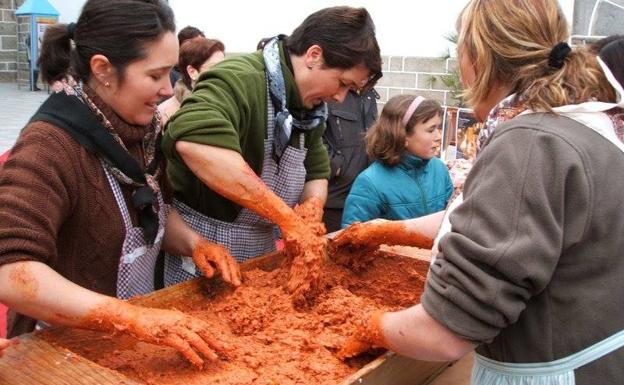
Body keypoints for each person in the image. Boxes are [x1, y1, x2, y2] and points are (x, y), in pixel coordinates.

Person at [334, 0, 624, 384]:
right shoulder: (586, 123)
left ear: (477, 58)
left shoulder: (530, 140)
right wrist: (382, 229)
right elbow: (489, 218)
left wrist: (362, 328)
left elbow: (446, 331)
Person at [0, 0, 241, 368]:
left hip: (129, 344)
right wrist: (129, 318)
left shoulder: (144, 134)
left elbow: (153, 212)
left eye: (170, 74)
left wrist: (195, 243)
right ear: (103, 69)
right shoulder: (49, 145)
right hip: (63, 351)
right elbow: (12, 274)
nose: (167, 90)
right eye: (155, 75)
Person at [161, 6, 382, 300]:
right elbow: (194, 142)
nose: (340, 96)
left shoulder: (311, 110)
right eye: (342, 83)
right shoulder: (239, 78)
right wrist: (285, 219)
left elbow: (316, 170)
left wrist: (311, 213)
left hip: (262, 251)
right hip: (204, 251)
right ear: (314, 55)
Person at [341, 95, 452, 228]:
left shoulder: (439, 169)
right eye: (430, 130)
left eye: (439, 128)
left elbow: (451, 219)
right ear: (402, 135)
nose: (439, 136)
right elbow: (351, 238)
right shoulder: (370, 182)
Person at [322, 88, 378, 233]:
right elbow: (310, 138)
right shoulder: (332, 89)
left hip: (364, 198)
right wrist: (336, 166)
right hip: (333, 200)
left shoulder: (369, 95)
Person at [159, 37, 225, 126]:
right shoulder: (163, 115)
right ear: (192, 72)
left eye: (225, 66)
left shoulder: (228, 105)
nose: (224, 73)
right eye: (215, 67)